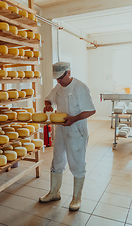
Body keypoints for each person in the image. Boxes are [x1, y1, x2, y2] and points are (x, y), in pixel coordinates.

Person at [39, 62, 96, 211]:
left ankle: (77, 198)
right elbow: (48, 98)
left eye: (60, 78)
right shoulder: (58, 87)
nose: (58, 81)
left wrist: (74, 118)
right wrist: (48, 105)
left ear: (68, 73)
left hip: (77, 131)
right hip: (61, 130)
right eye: (56, 79)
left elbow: (91, 110)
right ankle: (54, 192)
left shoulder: (80, 87)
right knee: (57, 161)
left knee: (76, 163)